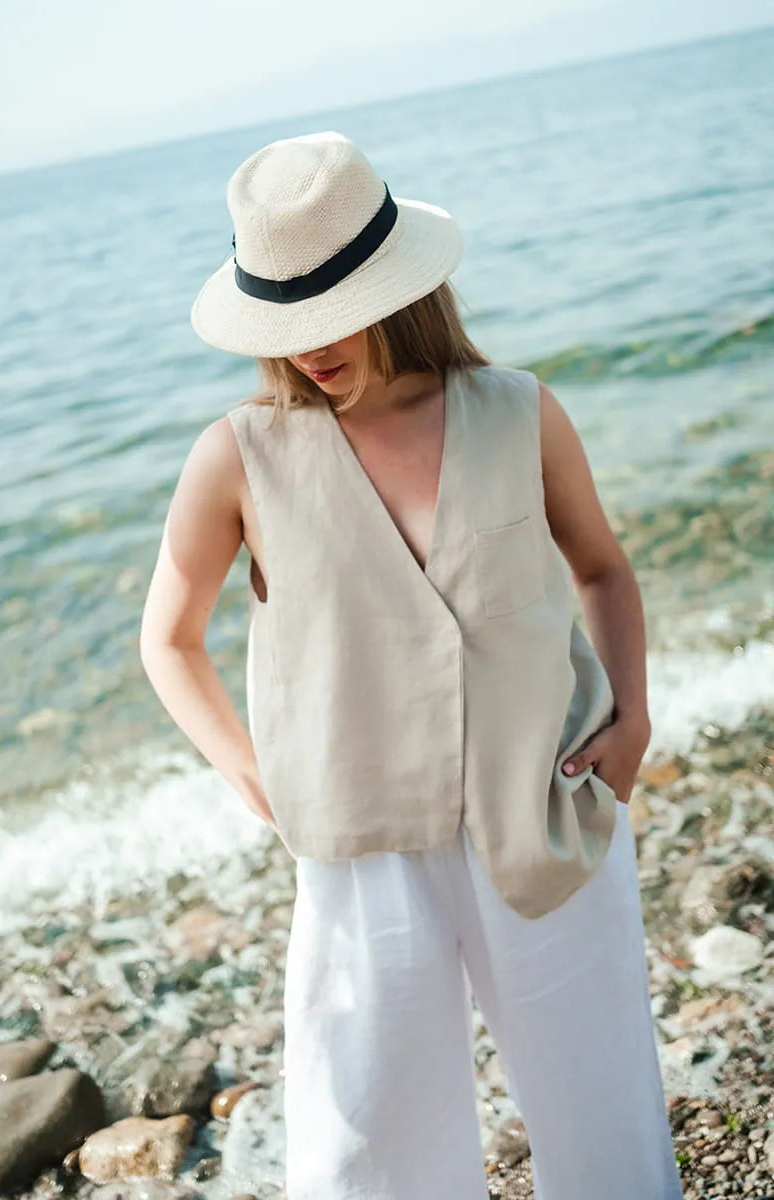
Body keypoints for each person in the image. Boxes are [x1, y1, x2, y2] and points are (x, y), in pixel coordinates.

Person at [139, 131, 684, 1199]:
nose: (308, 349)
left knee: (602, 1104)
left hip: (544, 805)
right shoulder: (236, 456)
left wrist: (631, 723)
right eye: (283, 323)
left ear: (395, 291)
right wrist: (252, 774)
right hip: (358, 850)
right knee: (367, 1142)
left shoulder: (516, 410)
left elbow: (603, 569)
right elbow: (168, 637)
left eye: (329, 314)